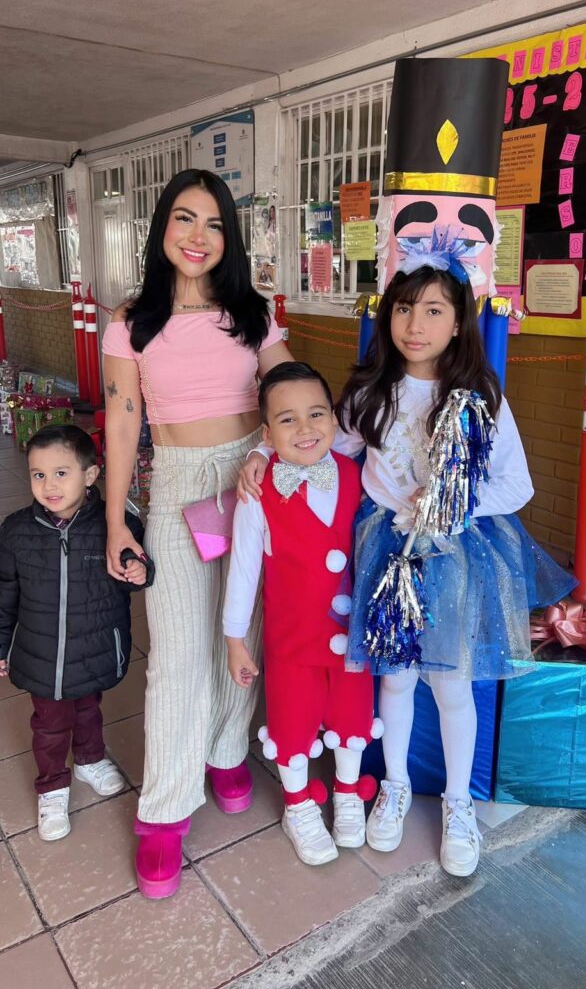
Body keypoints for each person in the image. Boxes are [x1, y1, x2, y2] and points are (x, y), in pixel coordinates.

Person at [240, 257, 575, 878]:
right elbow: (321, 440)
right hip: (383, 551)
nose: (415, 326)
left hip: (452, 557)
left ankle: (458, 803)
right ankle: (393, 786)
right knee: (393, 679)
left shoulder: (480, 399)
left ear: (458, 323)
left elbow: (517, 485)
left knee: (452, 687)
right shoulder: (371, 390)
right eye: (403, 309)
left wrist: (453, 502)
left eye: (433, 311)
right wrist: (265, 449)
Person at [101, 169, 291, 899]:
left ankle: (226, 751)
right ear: (162, 228)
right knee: (178, 653)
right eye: (185, 219)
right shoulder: (130, 322)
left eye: (214, 224)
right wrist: (117, 521)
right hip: (179, 482)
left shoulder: (252, 314)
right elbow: (123, 422)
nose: (198, 236)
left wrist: (274, 451)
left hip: (251, 480)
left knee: (242, 631)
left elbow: (289, 392)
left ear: (229, 238)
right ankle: (164, 811)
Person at [223, 362, 378, 865]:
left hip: (352, 634)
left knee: (353, 713)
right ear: (267, 434)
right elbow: (244, 568)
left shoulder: (355, 474)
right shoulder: (258, 490)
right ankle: (298, 805)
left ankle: (348, 793)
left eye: (316, 414)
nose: (305, 428)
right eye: (287, 419)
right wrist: (234, 639)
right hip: (291, 637)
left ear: (334, 419)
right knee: (291, 720)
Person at [0, 425, 150, 842]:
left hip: (94, 645)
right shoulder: (17, 531)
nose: (49, 485)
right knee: (51, 724)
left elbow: (137, 572)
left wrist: (139, 571)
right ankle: (52, 786)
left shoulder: (117, 525)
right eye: (38, 474)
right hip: (41, 654)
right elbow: (3, 592)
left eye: (61, 473)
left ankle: (90, 760)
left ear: (90, 475)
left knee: (89, 708)